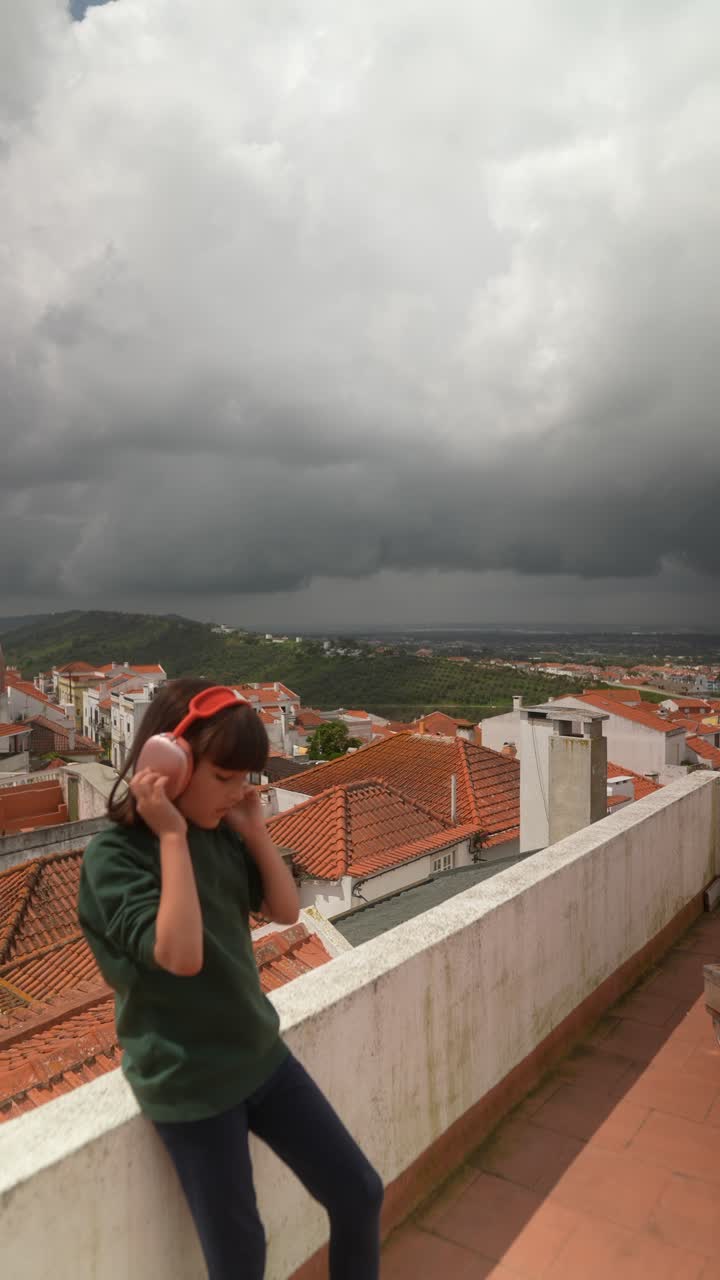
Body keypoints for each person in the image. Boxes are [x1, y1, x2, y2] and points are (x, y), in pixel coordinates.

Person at [78, 678, 383, 1280]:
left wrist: (253, 829)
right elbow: (183, 957)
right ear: (168, 764)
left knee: (359, 1192)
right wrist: (168, 833)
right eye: (224, 777)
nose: (238, 791)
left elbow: (286, 909)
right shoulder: (115, 858)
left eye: (245, 777)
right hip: (191, 1083)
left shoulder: (217, 834)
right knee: (240, 1257)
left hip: (259, 1055)